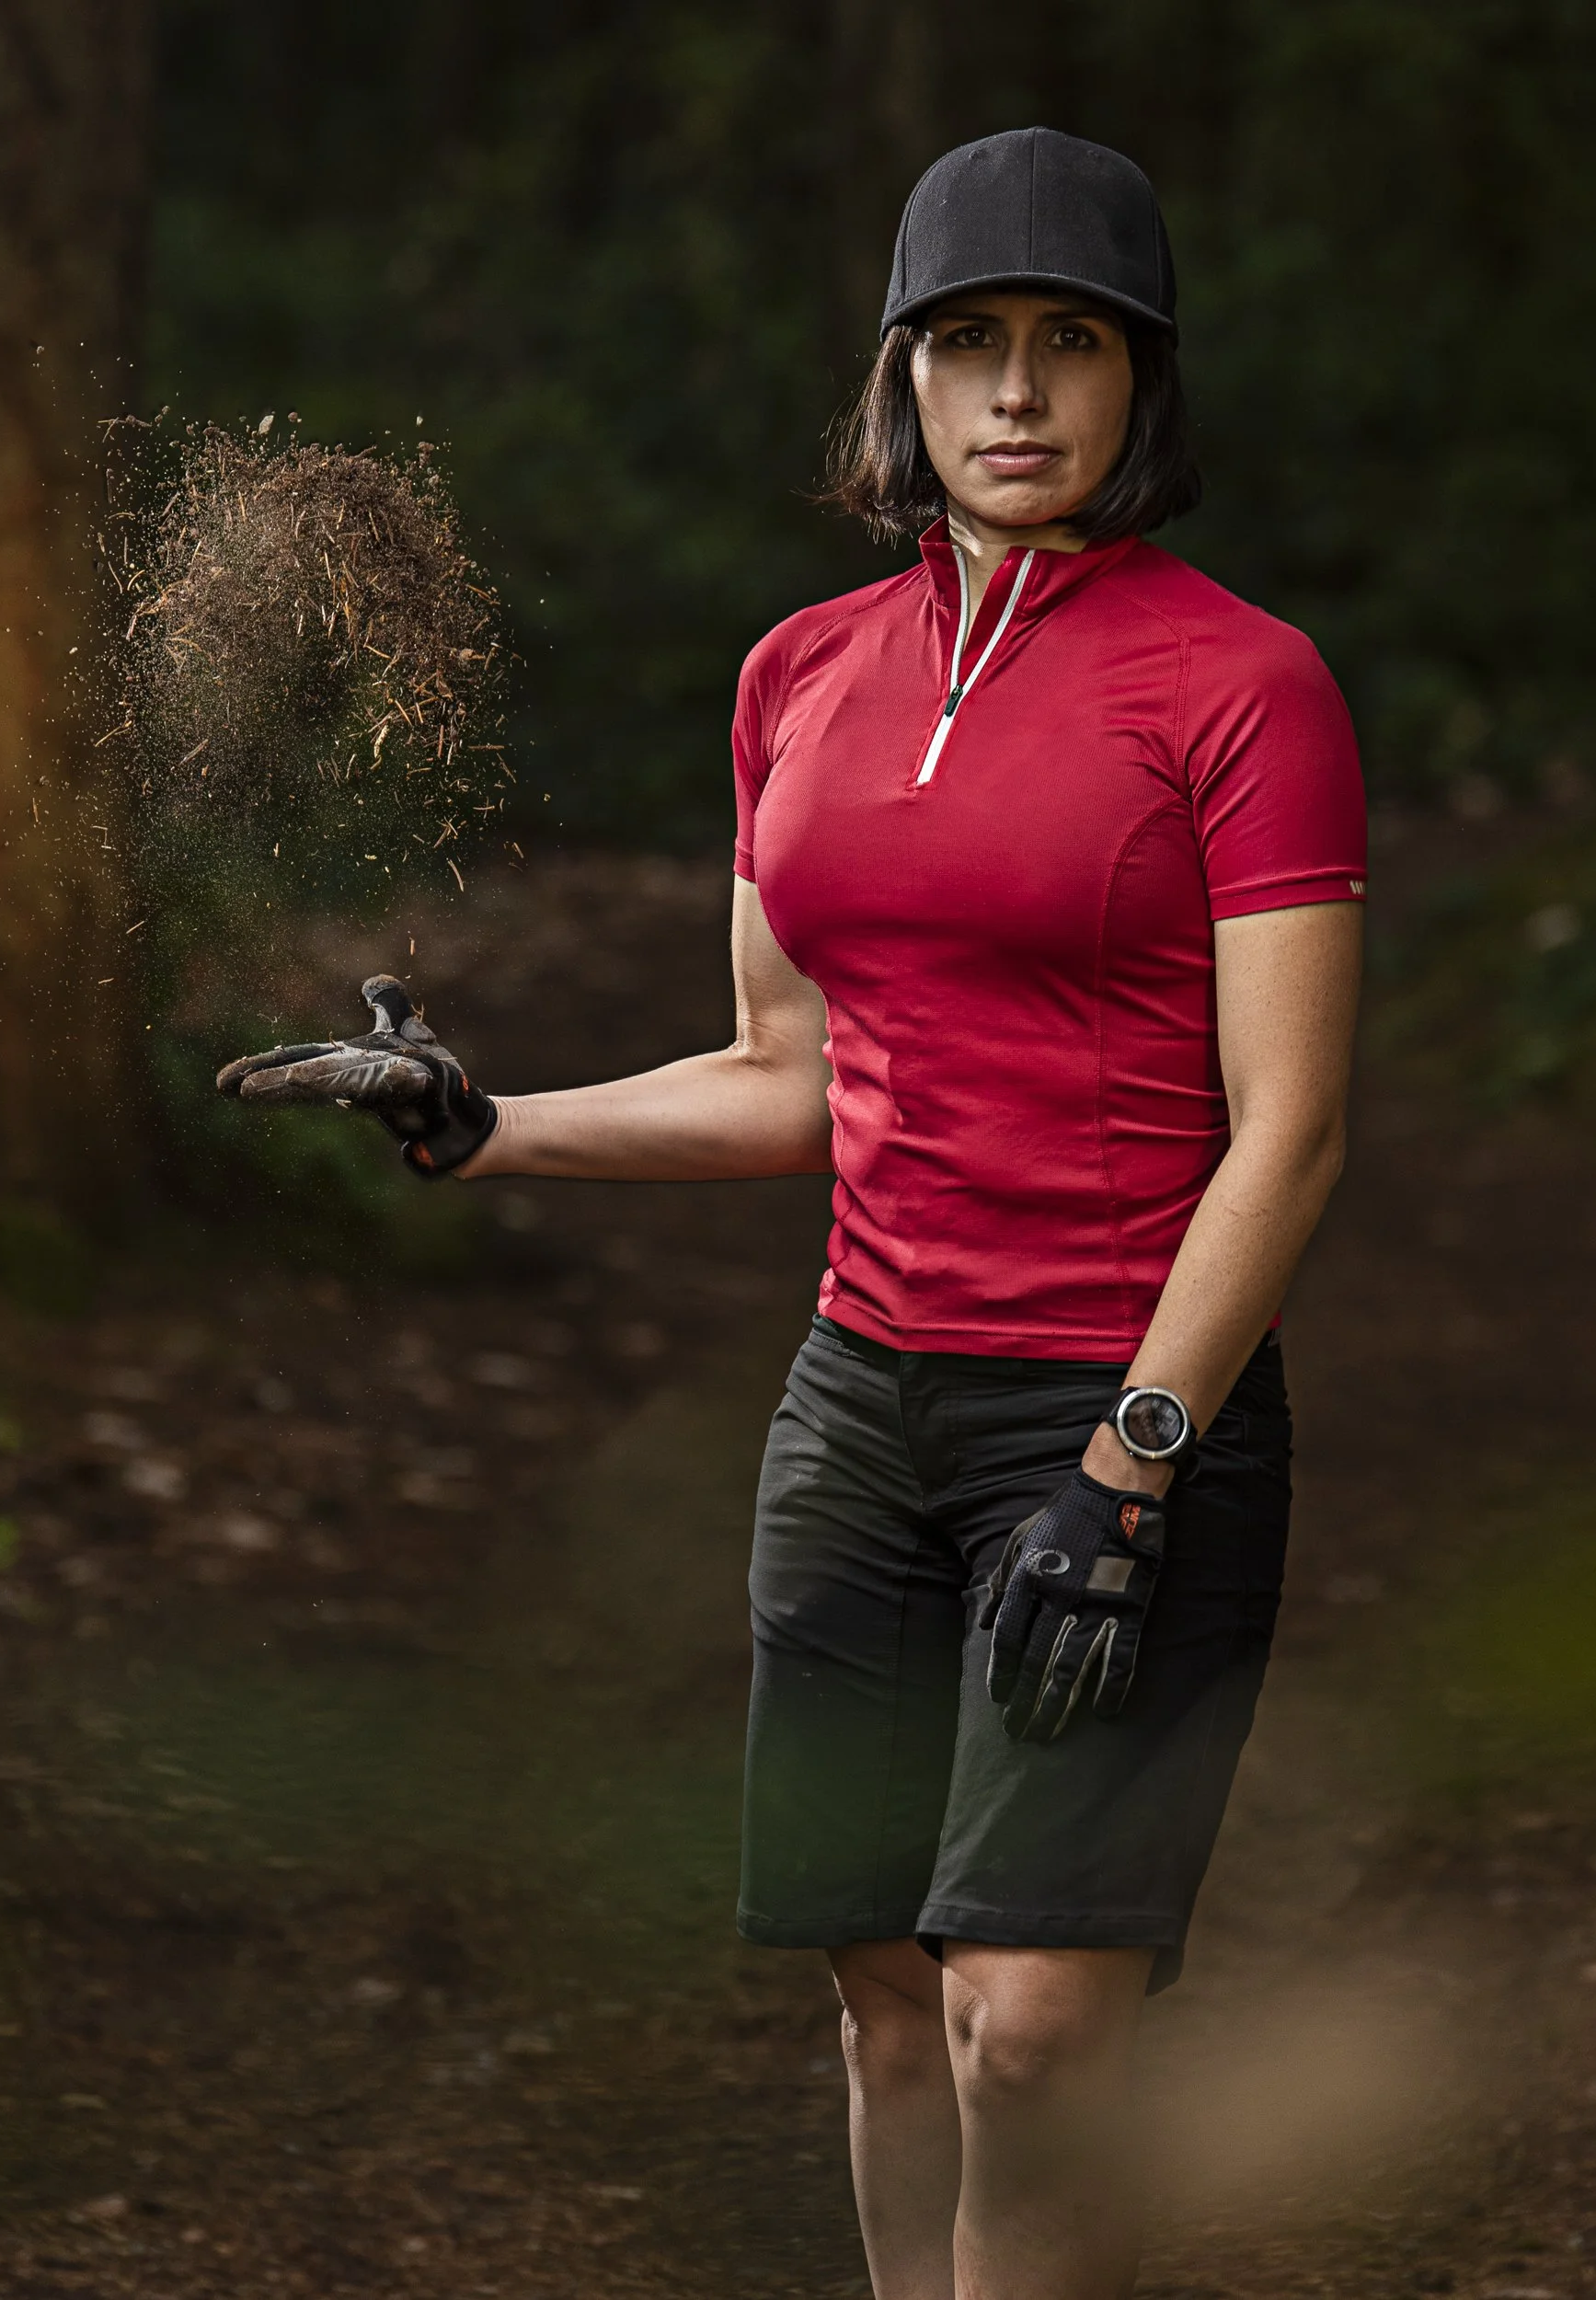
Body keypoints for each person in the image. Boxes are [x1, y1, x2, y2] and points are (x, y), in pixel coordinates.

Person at [219, 126, 1366, 2300]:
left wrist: (1135, 1458)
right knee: (879, 1997)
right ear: (900, 383)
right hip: (859, 1414)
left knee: (1025, 2028)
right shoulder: (798, 677)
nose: (1016, 393)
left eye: (1070, 344)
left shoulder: (1242, 685)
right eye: (966, 345)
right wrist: (486, 1126)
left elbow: (1288, 1127)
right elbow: (791, 1076)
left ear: (1142, 387)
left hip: (1113, 1416)